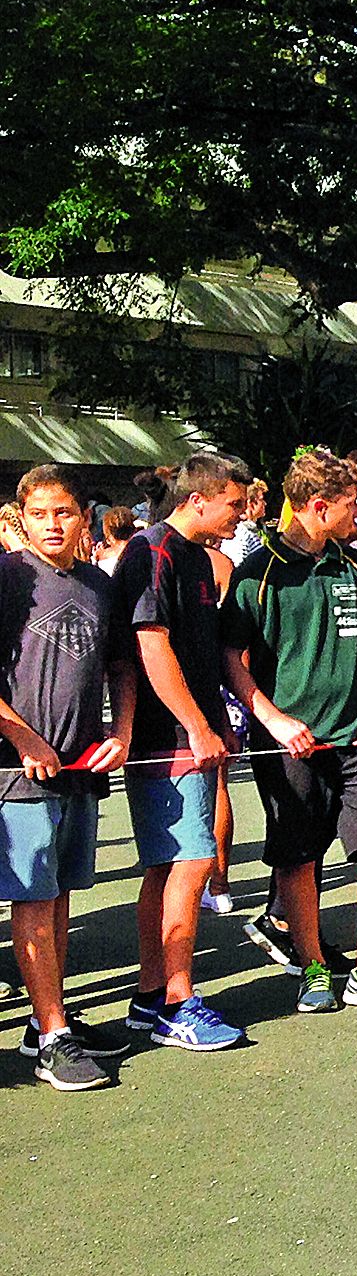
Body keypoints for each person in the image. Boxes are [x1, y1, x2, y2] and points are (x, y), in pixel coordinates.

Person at [220, 447, 357, 1013]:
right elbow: (231, 656)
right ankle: (313, 966)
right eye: (350, 504)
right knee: (299, 856)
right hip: (289, 744)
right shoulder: (255, 572)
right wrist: (272, 718)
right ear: (318, 507)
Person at [0, 465, 136, 1089]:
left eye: (63, 513)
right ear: (20, 519)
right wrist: (21, 734)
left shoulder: (98, 586)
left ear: (83, 516)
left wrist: (122, 734)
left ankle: (45, 1019)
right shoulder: (7, 580)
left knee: (58, 895)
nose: (52, 525)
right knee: (31, 897)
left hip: (81, 768)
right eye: (39, 514)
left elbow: (121, 670)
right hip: (19, 772)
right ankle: (52, 1034)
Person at [112, 451, 253, 1053]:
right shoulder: (154, 551)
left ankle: (153, 997)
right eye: (234, 504)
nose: (242, 517)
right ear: (198, 499)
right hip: (165, 741)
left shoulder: (197, 557)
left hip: (188, 734)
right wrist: (197, 727)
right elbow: (150, 648)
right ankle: (175, 1002)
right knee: (189, 865)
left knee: (169, 867)